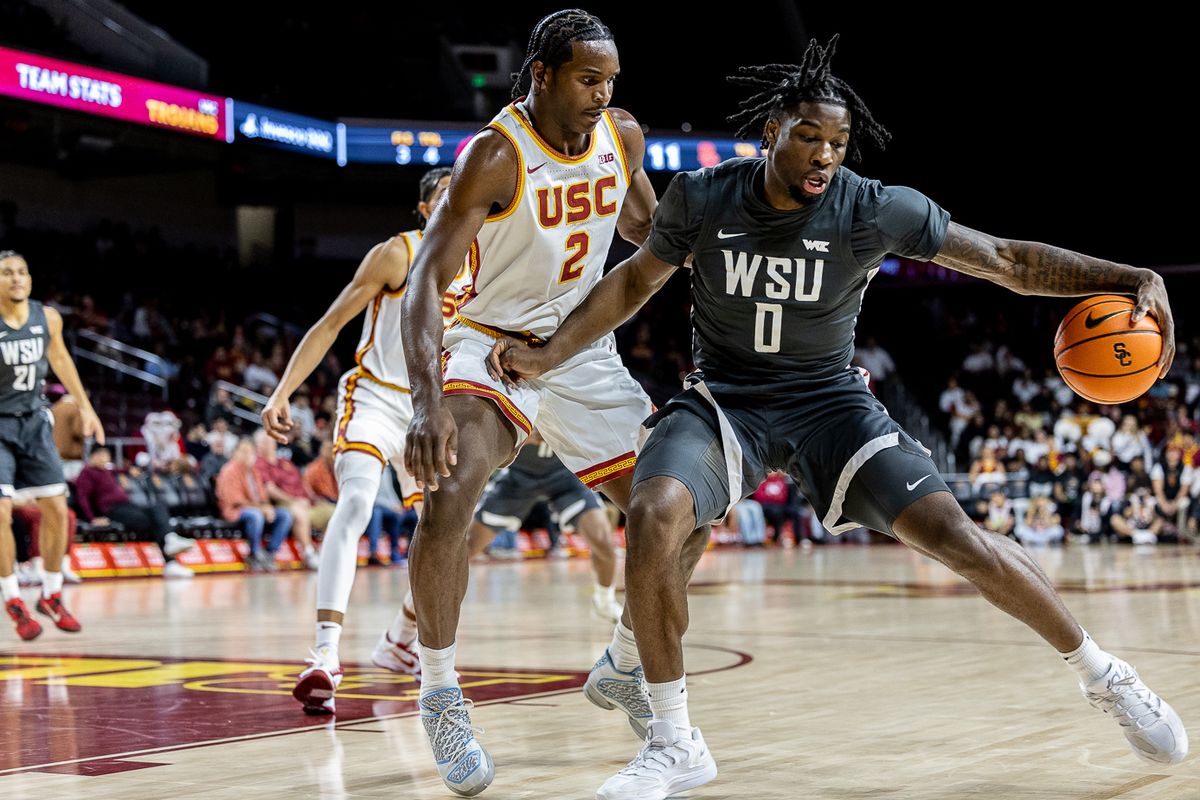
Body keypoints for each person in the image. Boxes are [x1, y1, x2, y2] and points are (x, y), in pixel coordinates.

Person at [491, 35, 1186, 799]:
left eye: (838, 142)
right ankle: (673, 741)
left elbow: (1008, 263)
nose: (825, 155)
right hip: (728, 399)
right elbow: (631, 287)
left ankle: (1105, 676)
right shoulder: (702, 196)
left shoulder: (873, 207)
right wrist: (548, 353)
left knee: (958, 538)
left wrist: (1132, 275)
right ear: (771, 136)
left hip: (830, 402)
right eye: (809, 138)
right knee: (655, 511)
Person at [399, 10, 708, 795]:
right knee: (451, 493)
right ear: (541, 75)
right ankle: (439, 693)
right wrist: (426, 401)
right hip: (489, 344)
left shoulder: (622, 136)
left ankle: (623, 664)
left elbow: (643, 226)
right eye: (585, 79)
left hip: (577, 349)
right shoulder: (493, 157)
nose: (601, 95)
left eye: (610, 81)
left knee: (686, 515)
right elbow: (425, 286)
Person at [260, 167, 470, 715]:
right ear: (425, 208)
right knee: (354, 503)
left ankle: (402, 640)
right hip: (376, 397)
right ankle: (325, 655)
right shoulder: (398, 253)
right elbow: (330, 323)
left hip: (431, 409)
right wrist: (283, 392)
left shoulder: (485, 265)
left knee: (450, 532)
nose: (458, 197)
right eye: (445, 191)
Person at [0, 251, 103, 641]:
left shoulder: (48, 318)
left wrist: (86, 406)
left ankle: (52, 593)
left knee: (58, 508)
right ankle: (12, 599)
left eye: (22, 271)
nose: (16, 278)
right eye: (8, 273)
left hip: (33, 422)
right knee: (1, 510)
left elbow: (60, 358)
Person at [466, 428, 623, 621]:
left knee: (603, 541)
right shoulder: (519, 398)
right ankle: (432, 607)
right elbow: (487, 437)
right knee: (467, 547)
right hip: (518, 477)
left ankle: (604, 601)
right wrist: (521, 436)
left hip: (564, 475)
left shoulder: (568, 399)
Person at [74, 445, 195, 578]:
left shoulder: (107, 471)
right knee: (157, 522)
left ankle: (170, 541)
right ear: (93, 457)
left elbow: (119, 469)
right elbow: (82, 498)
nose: (105, 459)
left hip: (127, 505)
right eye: (102, 455)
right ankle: (171, 557)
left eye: (107, 456)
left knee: (158, 507)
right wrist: (92, 519)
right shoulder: (87, 473)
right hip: (113, 510)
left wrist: (129, 470)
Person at [214, 438, 293, 571]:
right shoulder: (229, 470)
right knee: (256, 515)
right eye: (244, 451)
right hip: (235, 510)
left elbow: (262, 495)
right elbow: (235, 500)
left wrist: (267, 506)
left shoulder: (253, 471)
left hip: (256, 508)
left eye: (251, 451)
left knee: (285, 514)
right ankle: (254, 553)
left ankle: (270, 553)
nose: (248, 454)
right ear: (235, 453)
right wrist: (261, 508)